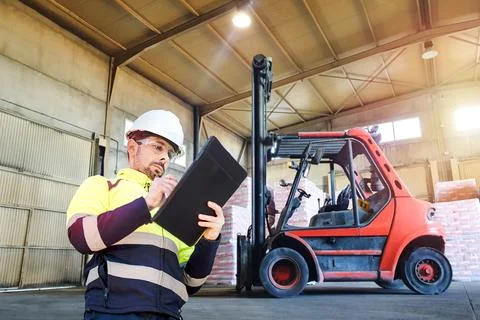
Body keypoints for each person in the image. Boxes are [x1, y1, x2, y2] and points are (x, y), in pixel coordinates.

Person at [66, 110, 224, 320]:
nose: (164, 157)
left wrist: (209, 240)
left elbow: (190, 282)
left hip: (169, 314)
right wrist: (146, 204)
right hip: (113, 313)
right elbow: (81, 237)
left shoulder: (174, 208)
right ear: (132, 147)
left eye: (169, 153)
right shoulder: (103, 186)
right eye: (158, 147)